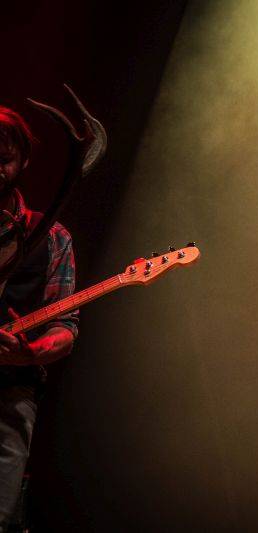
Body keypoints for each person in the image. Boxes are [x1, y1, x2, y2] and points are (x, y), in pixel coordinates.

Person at [0, 105, 78, 529]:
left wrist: (30, 354)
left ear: (23, 161)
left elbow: (65, 330)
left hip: (10, 394)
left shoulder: (51, 237)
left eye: (2, 159)